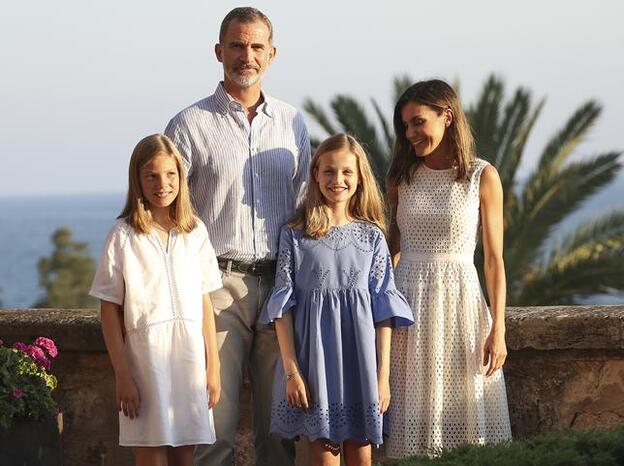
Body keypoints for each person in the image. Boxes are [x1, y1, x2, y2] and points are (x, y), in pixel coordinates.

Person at [164, 7, 311, 466]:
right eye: (236, 45)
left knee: (280, 432)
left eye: (255, 46)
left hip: (282, 292)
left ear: (271, 54)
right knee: (214, 428)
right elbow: (167, 210)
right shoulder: (188, 125)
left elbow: (311, 205)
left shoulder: (293, 122)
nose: (246, 55)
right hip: (216, 291)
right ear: (218, 51)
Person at [261, 134, 414, 466]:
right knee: (324, 458)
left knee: (362, 458)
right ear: (315, 174)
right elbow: (281, 309)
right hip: (315, 367)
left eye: (347, 172)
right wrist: (292, 372)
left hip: (361, 367)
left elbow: (383, 311)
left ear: (359, 178)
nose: (338, 180)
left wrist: (382, 377)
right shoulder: (295, 235)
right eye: (329, 171)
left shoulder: (372, 236)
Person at [384, 80, 513, 457]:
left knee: (465, 418)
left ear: (447, 116)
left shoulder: (481, 176)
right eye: (405, 126)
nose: (410, 134)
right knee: (410, 416)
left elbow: (493, 259)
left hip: (461, 305)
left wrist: (499, 328)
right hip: (409, 306)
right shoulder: (401, 177)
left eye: (418, 122)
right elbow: (392, 248)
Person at [89, 134, 222, 466]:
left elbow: (204, 303)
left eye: (170, 175)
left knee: (184, 456)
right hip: (145, 363)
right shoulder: (123, 235)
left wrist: (213, 366)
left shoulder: (196, 232)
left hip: (189, 361)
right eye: (151, 176)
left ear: (181, 176)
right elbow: (109, 310)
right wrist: (123, 374)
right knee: (151, 454)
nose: (162, 184)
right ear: (137, 180)